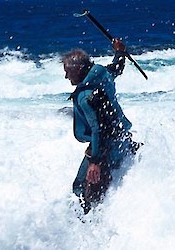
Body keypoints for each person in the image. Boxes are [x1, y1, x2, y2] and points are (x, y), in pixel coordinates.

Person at [62, 39, 141, 214]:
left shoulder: (85, 97)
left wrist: (95, 162)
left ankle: (90, 226)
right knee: (107, 183)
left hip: (105, 145)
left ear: (80, 69)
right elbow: (116, 68)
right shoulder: (101, 73)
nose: (66, 76)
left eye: (68, 72)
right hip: (121, 138)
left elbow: (98, 129)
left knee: (80, 189)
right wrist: (120, 52)